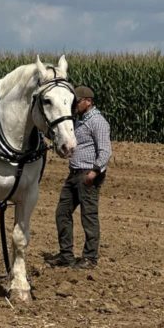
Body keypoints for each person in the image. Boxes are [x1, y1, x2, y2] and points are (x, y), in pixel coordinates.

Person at [50, 85, 112, 270]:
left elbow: (105, 151)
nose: (74, 105)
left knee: (89, 216)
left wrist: (94, 173)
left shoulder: (98, 122)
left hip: (88, 175)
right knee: (62, 212)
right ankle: (66, 255)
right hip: (74, 174)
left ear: (88, 101)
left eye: (77, 102)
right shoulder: (79, 121)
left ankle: (90, 257)